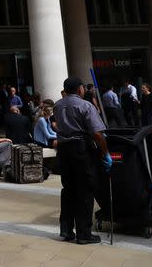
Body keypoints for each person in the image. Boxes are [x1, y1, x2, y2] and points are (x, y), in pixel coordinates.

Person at [54, 77, 110, 245]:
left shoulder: (58, 105)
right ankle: (84, 233)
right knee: (85, 190)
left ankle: (66, 229)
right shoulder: (85, 105)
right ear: (79, 89)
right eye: (83, 88)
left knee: (68, 189)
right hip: (80, 149)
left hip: (63, 150)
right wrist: (105, 152)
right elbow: (98, 133)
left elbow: (56, 125)